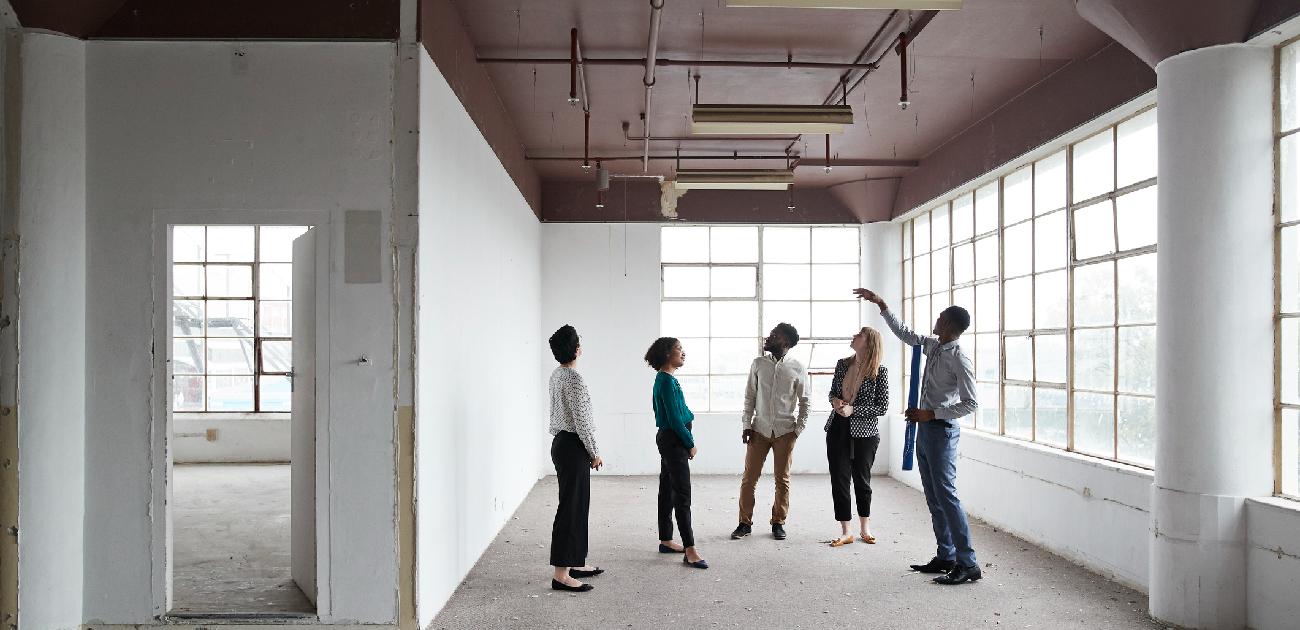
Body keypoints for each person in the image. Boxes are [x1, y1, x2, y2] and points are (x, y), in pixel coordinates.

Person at [854, 288, 982, 585]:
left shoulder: (959, 358)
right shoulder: (935, 345)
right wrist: (882, 305)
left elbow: (971, 403)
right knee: (935, 497)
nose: (935, 320)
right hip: (925, 432)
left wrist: (931, 414)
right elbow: (905, 333)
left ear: (949, 325)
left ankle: (968, 563)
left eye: (940, 317)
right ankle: (946, 556)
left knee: (947, 497)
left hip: (941, 432)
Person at [732, 323, 809, 541]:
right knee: (749, 479)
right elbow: (749, 397)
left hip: (785, 431)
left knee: (782, 480)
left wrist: (798, 429)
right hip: (759, 430)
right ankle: (744, 523)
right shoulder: (758, 364)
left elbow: (805, 401)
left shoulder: (797, 368)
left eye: (775, 335)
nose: (769, 337)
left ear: (785, 342)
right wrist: (746, 424)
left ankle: (778, 522)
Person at [547, 325, 605, 592]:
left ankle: (575, 562)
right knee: (571, 508)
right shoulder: (574, 379)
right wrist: (594, 452)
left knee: (576, 505)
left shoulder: (556, 375)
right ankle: (561, 573)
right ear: (576, 348)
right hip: (573, 446)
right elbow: (582, 421)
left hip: (561, 443)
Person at [645, 337, 708, 569]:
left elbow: (679, 410)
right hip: (674, 440)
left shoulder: (666, 379)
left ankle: (666, 540)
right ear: (666, 354)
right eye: (679, 349)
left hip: (670, 439)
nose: (683, 353)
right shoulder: (666, 382)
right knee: (682, 494)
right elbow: (673, 418)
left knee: (666, 489)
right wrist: (690, 443)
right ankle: (690, 549)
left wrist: (689, 416)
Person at [825, 327, 889, 547]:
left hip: (866, 433)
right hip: (838, 428)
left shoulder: (880, 371)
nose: (854, 335)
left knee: (862, 481)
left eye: (859, 334)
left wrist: (855, 410)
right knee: (839, 480)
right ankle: (846, 531)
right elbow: (832, 392)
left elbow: (882, 407)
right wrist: (836, 402)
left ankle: (865, 527)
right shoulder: (842, 364)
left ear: (869, 342)